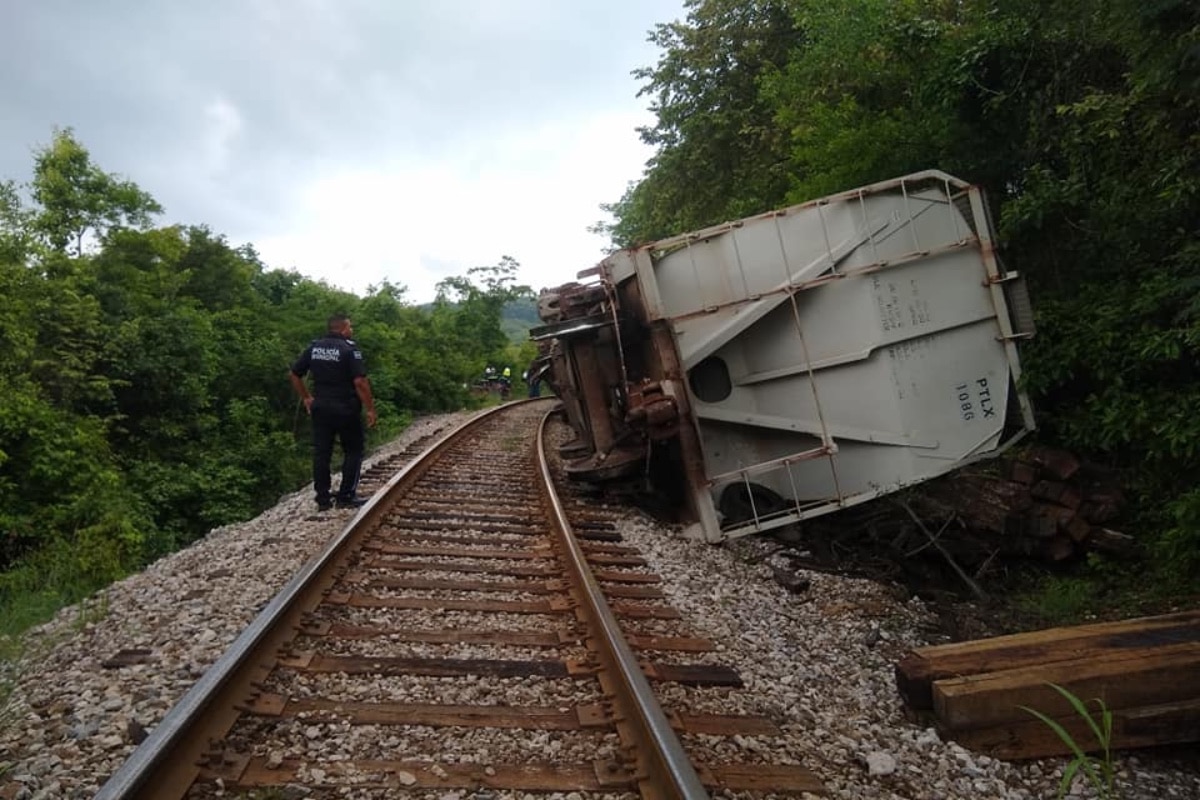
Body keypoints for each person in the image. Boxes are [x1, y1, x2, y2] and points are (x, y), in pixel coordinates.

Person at [289, 314, 378, 511]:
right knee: (353, 450)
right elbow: (360, 382)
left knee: (322, 453)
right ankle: (346, 496)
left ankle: (322, 498)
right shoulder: (350, 349)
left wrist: (306, 397)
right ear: (343, 328)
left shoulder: (314, 348)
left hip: (320, 407)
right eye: (350, 327)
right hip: (345, 407)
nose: (352, 330)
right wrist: (370, 409)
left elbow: (295, 374)